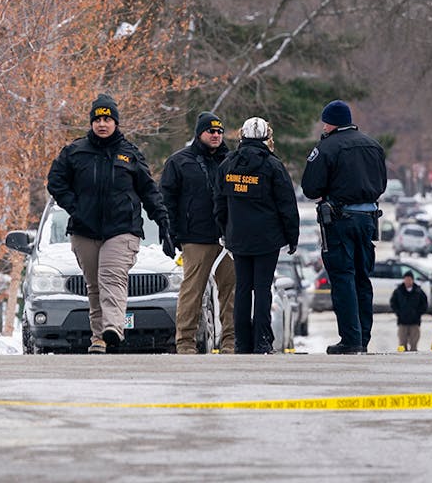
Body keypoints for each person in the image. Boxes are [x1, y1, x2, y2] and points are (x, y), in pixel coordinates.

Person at [47, 94, 171, 354]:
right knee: (94, 285)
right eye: (98, 119)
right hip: (85, 229)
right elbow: (56, 181)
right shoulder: (75, 151)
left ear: (116, 122)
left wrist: (163, 221)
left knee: (111, 278)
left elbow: (149, 191)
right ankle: (98, 338)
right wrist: (76, 207)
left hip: (122, 229)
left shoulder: (130, 154)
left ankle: (113, 328)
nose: (102, 124)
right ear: (91, 122)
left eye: (108, 119)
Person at [300, 99, 388, 354]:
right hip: (368, 219)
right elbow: (381, 184)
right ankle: (363, 338)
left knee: (342, 278)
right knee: (362, 277)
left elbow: (310, 188)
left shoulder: (327, 147)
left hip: (339, 221)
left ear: (330, 122)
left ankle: (350, 338)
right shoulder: (373, 145)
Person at [213, 117, 298, 354]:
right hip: (266, 239)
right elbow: (287, 205)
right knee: (262, 289)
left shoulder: (227, 164)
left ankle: (241, 341)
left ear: (242, 135)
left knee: (242, 289)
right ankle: (262, 340)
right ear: (266, 137)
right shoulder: (273, 166)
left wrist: (224, 231)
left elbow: (219, 202)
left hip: (238, 237)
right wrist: (292, 237)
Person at [160, 111, 235, 354]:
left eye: (219, 131)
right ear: (199, 133)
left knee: (231, 291)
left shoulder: (233, 161)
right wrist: (169, 231)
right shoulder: (179, 161)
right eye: (210, 131)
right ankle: (185, 343)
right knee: (192, 292)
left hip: (228, 238)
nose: (215, 135)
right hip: (195, 236)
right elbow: (167, 200)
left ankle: (231, 343)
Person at [389, 270, 430, 351]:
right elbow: (393, 303)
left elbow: (424, 304)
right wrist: (398, 312)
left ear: (412, 280)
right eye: (406, 279)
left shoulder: (418, 291)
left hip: (414, 322)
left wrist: (418, 313)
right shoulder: (398, 291)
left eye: (409, 279)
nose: (407, 281)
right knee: (402, 345)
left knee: (414, 345)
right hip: (402, 322)